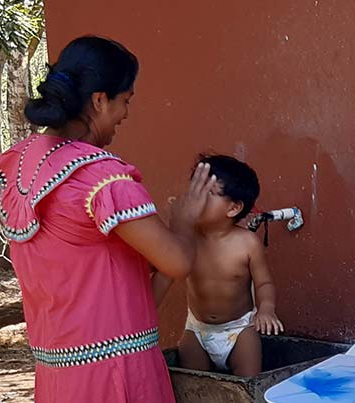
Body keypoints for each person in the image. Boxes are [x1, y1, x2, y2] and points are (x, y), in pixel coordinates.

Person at [0, 36, 215, 402]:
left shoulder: (16, 165)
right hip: (117, 377)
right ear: (99, 100)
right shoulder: (102, 179)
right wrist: (184, 220)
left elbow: (108, 283)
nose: (126, 114)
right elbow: (177, 260)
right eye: (125, 101)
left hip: (58, 377)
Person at [168, 154, 283, 377]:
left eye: (208, 193)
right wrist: (175, 222)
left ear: (233, 208)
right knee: (193, 383)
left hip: (239, 330)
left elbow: (264, 283)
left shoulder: (247, 243)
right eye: (194, 190)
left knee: (247, 384)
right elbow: (166, 259)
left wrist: (266, 309)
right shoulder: (187, 236)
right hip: (197, 329)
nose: (196, 199)